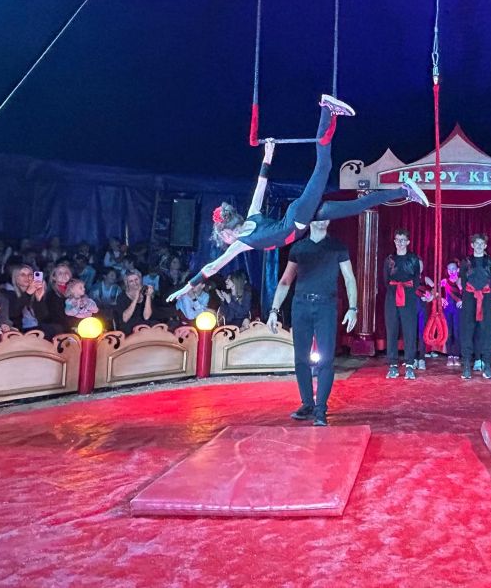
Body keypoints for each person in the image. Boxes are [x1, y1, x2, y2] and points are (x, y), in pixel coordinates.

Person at [168, 95, 428, 303]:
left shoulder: (240, 244)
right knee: (358, 205)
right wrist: (268, 156)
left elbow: (211, 268)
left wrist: (185, 288)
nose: (225, 244)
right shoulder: (251, 217)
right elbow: (261, 184)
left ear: (226, 232)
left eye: (222, 238)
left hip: (298, 218)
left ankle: (326, 109)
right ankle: (405, 191)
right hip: (302, 218)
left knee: (323, 168)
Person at [267, 218, 357, 426]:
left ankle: (320, 409)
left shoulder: (337, 246)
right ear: (310, 221)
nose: (323, 221)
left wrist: (353, 308)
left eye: (326, 217)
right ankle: (307, 403)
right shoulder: (299, 247)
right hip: (301, 305)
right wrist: (274, 310)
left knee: (326, 359)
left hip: (326, 306)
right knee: (301, 358)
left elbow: (349, 278)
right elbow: (285, 281)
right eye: (318, 217)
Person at [383, 229, 423, 380]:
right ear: (394, 241)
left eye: (403, 240)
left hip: (409, 298)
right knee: (392, 331)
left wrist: (408, 291)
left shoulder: (413, 259)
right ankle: (393, 365)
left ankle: (409, 365)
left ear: (408, 242)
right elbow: (385, 280)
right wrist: (395, 290)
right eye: (397, 240)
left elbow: (416, 279)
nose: (400, 243)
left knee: (409, 331)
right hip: (392, 297)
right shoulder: (389, 259)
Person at [459, 233, 491, 379]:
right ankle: (466, 366)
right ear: (472, 245)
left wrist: (486, 292)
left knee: (486, 331)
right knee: (467, 331)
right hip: (470, 299)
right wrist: (470, 293)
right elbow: (463, 280)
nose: (479, 246)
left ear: (485, 246)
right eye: (477, 243)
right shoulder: (466, 262)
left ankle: (487, 366)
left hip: (485, 299)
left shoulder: (490, 261)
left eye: (482, 244)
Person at [441, 260, 463, 367]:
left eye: (453, 268)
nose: (451, 271)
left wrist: (462, 300)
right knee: (448, 332)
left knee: (457, 332)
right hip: (448, 309)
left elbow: (467, 293)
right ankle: (449, 356)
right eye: (449, 269)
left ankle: (457, 356)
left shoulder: (461, 280)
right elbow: (435, 290)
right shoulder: (444, 281)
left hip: (458, 309)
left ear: (458, 270)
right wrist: (441, 298)